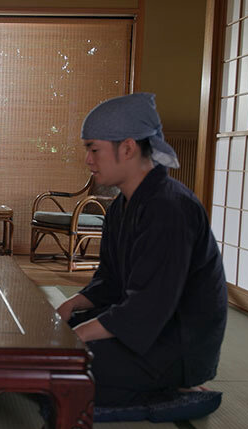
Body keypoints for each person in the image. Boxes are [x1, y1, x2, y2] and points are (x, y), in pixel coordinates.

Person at [57, 92, 228, 407]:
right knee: (52, 341)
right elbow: (110, 280)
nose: (88, 160)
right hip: (146, 327)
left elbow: (150, 304)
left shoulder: (170, 208)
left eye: (94, 149)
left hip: (176, 341)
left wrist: (80, 335)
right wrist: (71, 305)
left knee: (62, 370)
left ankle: (176, 390)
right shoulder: (122, 206)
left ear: (127, 148)